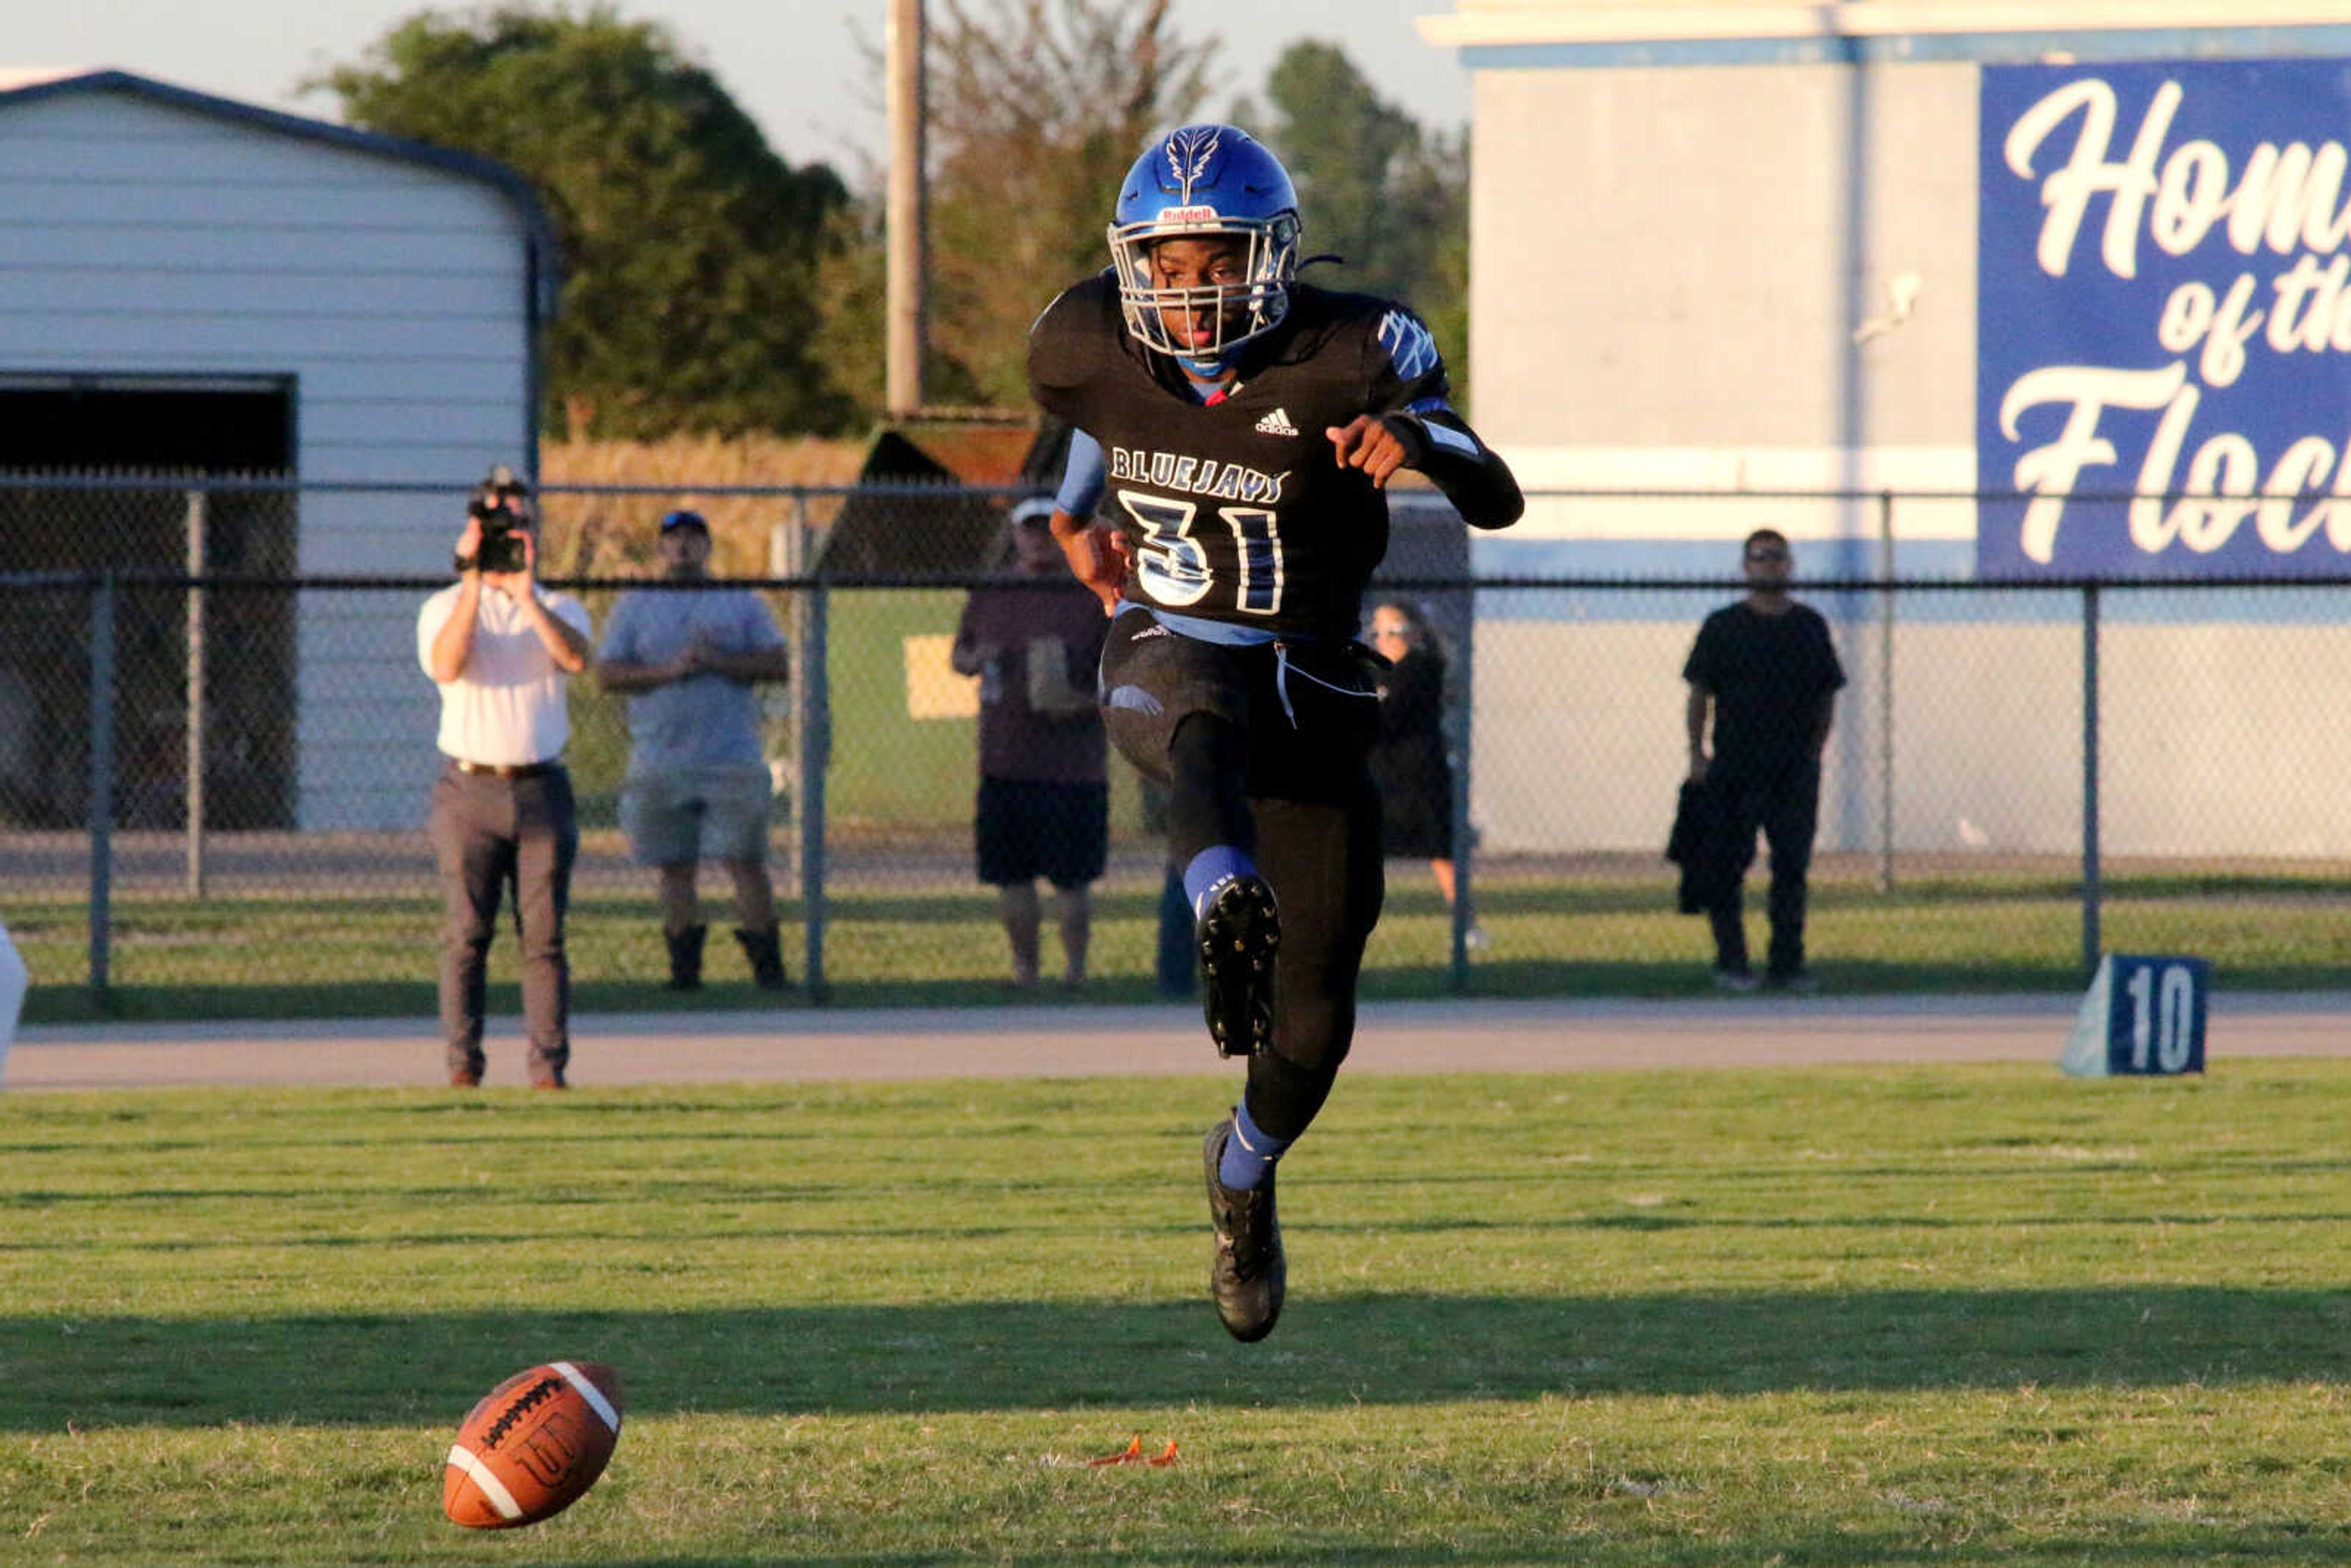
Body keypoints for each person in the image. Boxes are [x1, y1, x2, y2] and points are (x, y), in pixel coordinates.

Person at [1027, 124, 1523, 1342]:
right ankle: (1218, 892)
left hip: (1310, 667)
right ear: (1132, 262)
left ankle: (1242, 1172)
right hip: (1164, 638)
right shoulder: (1083, 334)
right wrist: (1064, 517)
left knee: (1316, 1014)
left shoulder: (1355, 347)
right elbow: (1075, 421)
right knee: (1203, 706)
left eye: (1215, 262)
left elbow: (1498, 494)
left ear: (1273, 257)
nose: (1191, 291)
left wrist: (1419, 439)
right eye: (1171, 263)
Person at [416, 467, 595, 1089]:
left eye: (515, 525)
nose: (504, 538)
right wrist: (473, 583)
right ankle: (463, 1065)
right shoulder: (444, 606)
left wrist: (526, 595)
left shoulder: (558, 606)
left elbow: (575, 657)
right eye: (493, 526)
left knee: (544, 939)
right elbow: (446, 664)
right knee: (467, 932)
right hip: (469, 790)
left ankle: (549, 1069)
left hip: (540, 787)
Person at [594, 509, 794, 992]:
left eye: (693, 538)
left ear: (708, 547)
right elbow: (608, 674)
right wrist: (667, 671)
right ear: (661, 548)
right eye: (673, 539)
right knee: (674, 865)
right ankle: (684, 970)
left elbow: (777, 662)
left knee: (744, 861)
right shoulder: (636, 605)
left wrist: (719, 662)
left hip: (731, 756)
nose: (683, 547)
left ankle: (769, 969)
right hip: (660, 759)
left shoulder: (740, 601)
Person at [949, 497, 1112, 989]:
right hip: (1005, 759)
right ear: (1015, 535)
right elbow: (959, 655)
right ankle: (1026, 974)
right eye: (1030, 530)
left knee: (1071, 879)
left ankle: (1076, 975)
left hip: (1074, 766)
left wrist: (1079, 701)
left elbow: (1121, 679)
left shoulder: (1091, 592)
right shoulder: (994, 589)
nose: (1038, 539)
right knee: (1012, 876)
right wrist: (979, 657)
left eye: (1048, 530)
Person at [1682, 527, 1846, 993]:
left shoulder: (1809, 626)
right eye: (1760, 558)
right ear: (1746, 567)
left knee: (1791, 869)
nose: (1770, 565)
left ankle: (1787, 965)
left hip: (1793, 771)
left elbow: (1827, 693)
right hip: (1734, 767)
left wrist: (1815, 751)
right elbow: (1699, 693)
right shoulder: (1723, 627)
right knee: (1727, 867)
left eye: (1778, 557)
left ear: (1790, 565)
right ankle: (1732, 962)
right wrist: (1698, 753)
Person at [1365, 598, 1479, 940]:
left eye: (1396, 630)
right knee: (1365, 852)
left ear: (1415, 632)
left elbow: (1389, 717)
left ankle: (1466, 926)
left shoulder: (1423, 667)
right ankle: (1358, 926)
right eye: (1379, 631)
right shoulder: (1371, 669)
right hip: (1381, 776)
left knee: (1440, 852)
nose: (1387, 638)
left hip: (1420, 777)